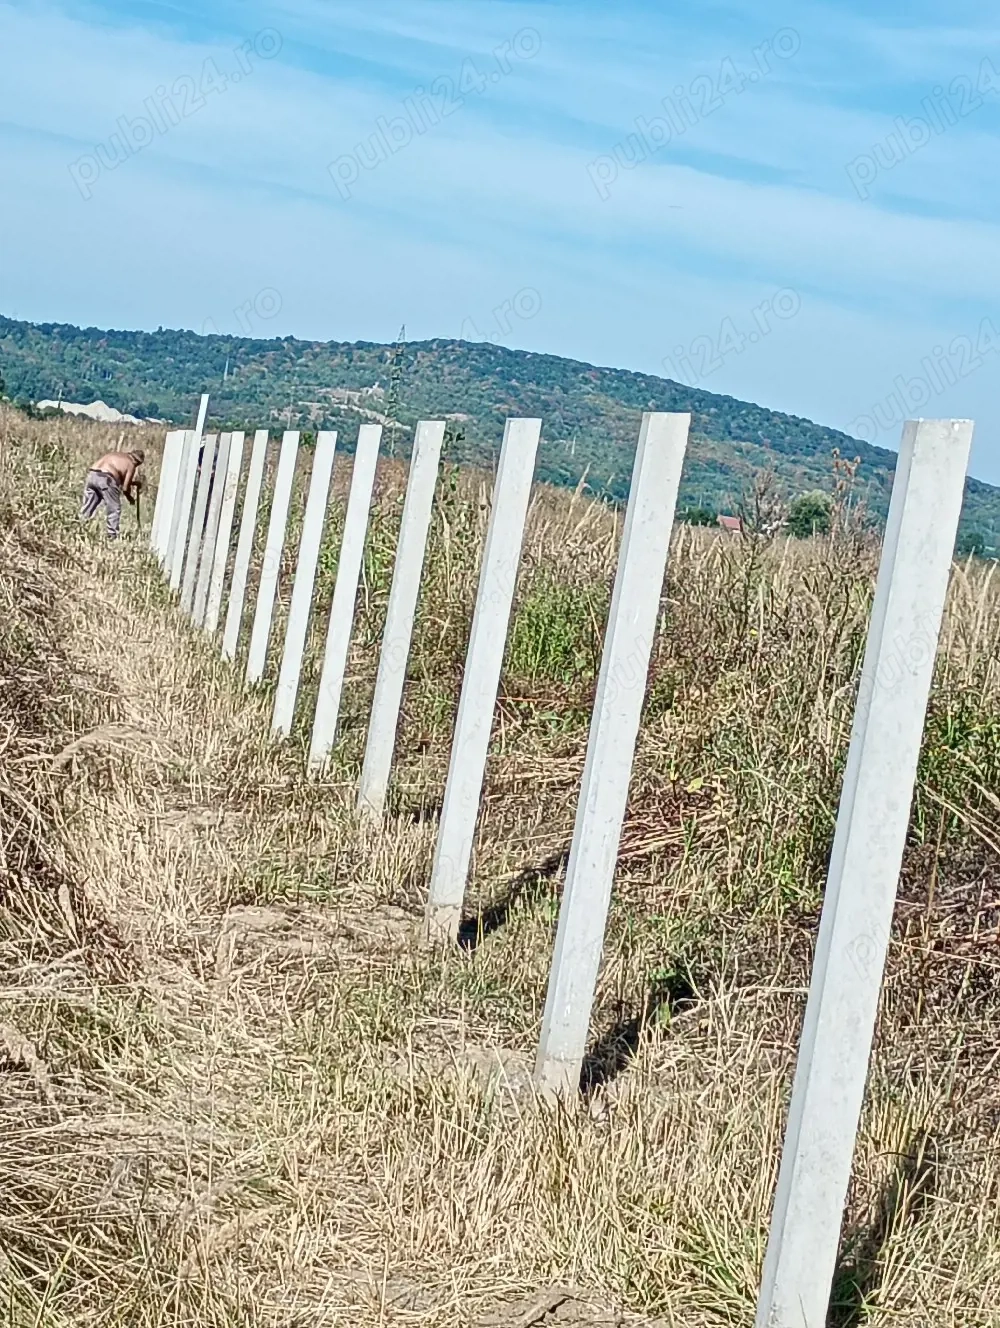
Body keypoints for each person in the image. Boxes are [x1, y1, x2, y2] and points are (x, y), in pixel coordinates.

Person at [79, 447, 145, 540]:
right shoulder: (131, 464)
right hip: (107, 478)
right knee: (114, 508)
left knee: (88, 505)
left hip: (92, 475)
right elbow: (125, 488)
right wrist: (130, 498)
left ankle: (80, 527)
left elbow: (120, 477)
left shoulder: (116, 455)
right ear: (137, 462)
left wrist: (133, 483)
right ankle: (112, 535)